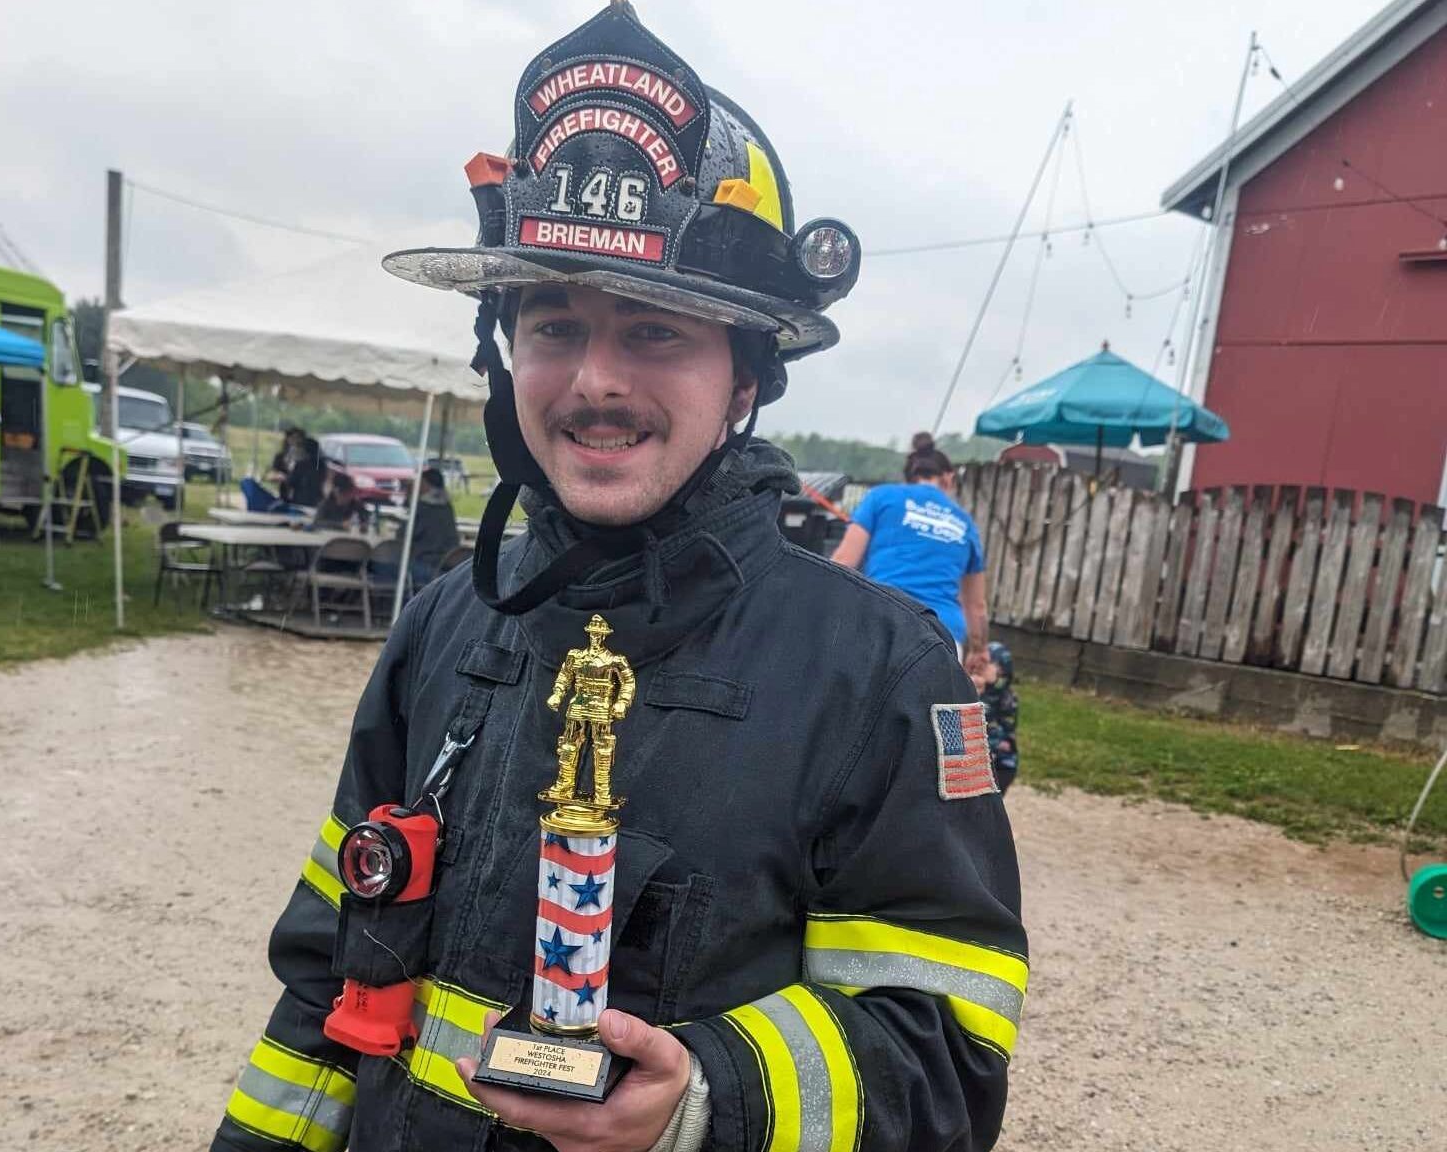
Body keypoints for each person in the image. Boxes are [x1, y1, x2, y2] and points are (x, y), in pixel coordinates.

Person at [210, 7, 1025, 1152]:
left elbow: (944, 1056)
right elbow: (328, 981)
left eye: (655, 332)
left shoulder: (877, 672)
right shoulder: (445, 625)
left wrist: (704, 1100)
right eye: (554, 325)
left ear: (746, 380)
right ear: (505, 356)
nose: (595, 380)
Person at [831, 450, 989, 673]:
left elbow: (842, 563)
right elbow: (976, 605)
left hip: (881, 623)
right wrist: (980, 650)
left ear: (909, 477)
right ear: (948, 478)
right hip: (942, 637)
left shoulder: (881, 497)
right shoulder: (965, 523)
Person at [973, 641, 1019, 794]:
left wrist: (981, 694)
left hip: (1002, 765)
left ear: (1001, 671)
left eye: (988, 664)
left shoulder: (1007, 697)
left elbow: (1001, 726)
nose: (981, 667)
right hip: (982, 763)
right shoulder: (981, 691)